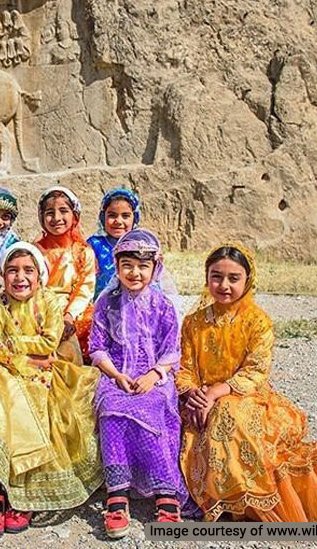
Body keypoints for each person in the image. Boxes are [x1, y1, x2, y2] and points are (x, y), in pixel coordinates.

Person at [176, 244, 317, 522]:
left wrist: (217, 392)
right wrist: (194, 394)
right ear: (206, 277)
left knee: (228, 415)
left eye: (234, 278)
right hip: (201, 396)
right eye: (216, 276)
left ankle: (243, 503)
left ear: (248, 280)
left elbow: (255, 371)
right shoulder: (193, 323)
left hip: (246, 395)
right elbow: (185, 367)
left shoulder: (258, 322)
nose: (224, 285)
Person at [0, 242, 101, 539]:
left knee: (40, 404)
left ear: (40, 276)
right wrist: (25, 357)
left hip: (43, 371)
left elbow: (49, 342)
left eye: (28, 271)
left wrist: (16, 346)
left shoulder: (48, 302)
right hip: (2, 368)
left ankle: (25, 493)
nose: (20, 278)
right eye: (12, 271)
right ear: (3, 275)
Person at [88, 229, 189, 539]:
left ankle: (166, 494)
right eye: (127, 265)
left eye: (143, 266)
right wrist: (116, 376)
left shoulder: (163, 305)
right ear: (117, 266)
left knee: (155, 407)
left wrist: (153, 376)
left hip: (153, 377)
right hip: (116, 375)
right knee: (111, 409)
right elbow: (97, 346)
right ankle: (118, 494)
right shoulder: (107, 303)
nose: (135, 272)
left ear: (154, 268)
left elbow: (172, 350)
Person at [34, 186, 96, 364]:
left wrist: (69, 316)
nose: (56, 218)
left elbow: (85, 290)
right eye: (50, 212)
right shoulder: (35, 250)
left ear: (74, 215)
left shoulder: (83, 252)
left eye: (63, 211)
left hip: (73, 311)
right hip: (41, 307)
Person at [87, 188, 140, 299]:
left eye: (125, 216)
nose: (118, 221)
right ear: (103, 217)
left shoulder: (141, 246)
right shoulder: (93, 246)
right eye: (112, 215)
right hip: (100, 308)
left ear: (134, 218)